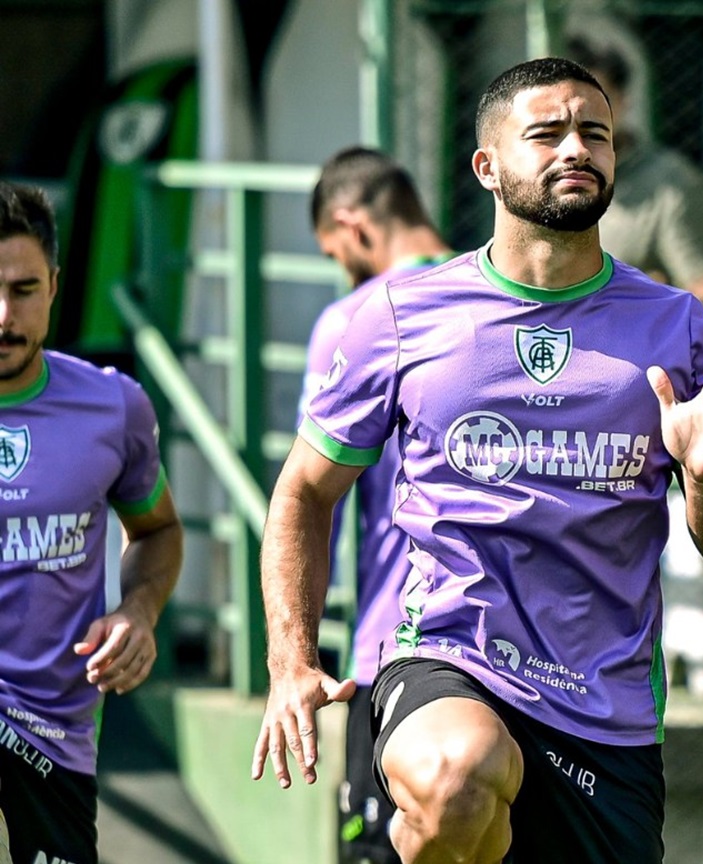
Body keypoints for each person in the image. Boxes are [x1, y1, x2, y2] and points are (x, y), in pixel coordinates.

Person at [250, 57, 703, 863]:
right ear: (488, 166)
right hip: (448, 656)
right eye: (547, 133)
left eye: (595, 134)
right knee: (456, 775)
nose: (576, 149)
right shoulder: (400, 315)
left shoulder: (678, 329)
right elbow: (303, 494)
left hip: (605, 706)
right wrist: (291, 662)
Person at [0, 181, 184, 864]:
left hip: (53, 732)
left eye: (21, 290)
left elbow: (159, 530)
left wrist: (138, 610)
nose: (3, 316)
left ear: (53, 285)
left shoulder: (113, 407)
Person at [567, 35, 703, 697]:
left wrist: (637, 294)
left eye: (590, 113)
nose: (572, 140)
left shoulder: (666, 184)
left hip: (638, 415)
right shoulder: (531, 190)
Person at [304, 145, 455, 864]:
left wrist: (298, 656)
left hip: (393, 651)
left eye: (339, 253)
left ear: (352, 225)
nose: (344, 271)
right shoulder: (492, 302)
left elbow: (313, 503)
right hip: (508, 664)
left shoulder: (355, 319)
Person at [566, 36, 703, 335]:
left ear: (624, 102)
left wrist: (642, 298)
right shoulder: (529, 178)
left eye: (596, 103)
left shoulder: (670, 183)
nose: (579, 117)